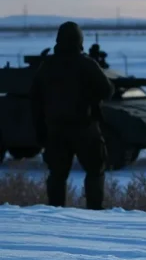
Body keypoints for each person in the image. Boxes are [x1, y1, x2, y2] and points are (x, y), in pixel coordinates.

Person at [30, 21, 115, 210]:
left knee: (57, 174)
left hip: (56, 129)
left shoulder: (47, 66)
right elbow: (107, 90)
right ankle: (94, 212)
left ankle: (55, 212)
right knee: (95, 171)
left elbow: (35, 100)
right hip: (85, 128)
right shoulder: (86, 64)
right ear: (79, 41)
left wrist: (40, 130)